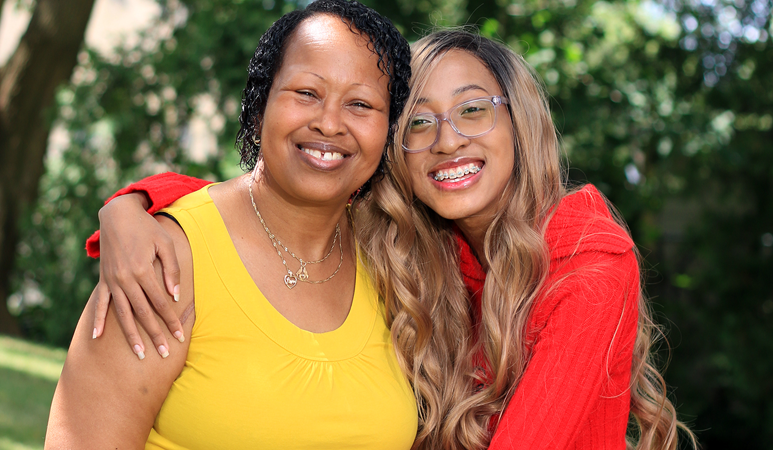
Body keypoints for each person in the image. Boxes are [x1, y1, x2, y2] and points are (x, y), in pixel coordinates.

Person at [80, 32, 696, 450]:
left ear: (521, 121)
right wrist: (135, 205)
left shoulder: (588, 262)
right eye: (418, 122)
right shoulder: (429, 253)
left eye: (472, 110)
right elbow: (275, 193)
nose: (447, 140)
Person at [45, 1, 418, 448]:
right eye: (306, 93)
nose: (329, 123)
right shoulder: (162, 261)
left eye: (360, 104)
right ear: (260, 104)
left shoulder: (395, 267)